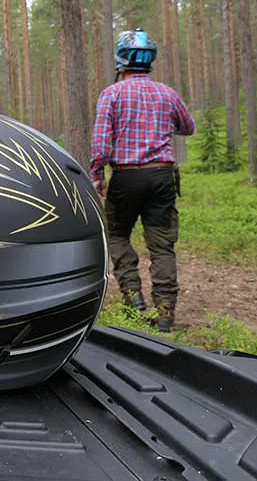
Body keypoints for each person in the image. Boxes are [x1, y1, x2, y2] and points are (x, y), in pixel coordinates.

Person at [89, 29, 195, 332]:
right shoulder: (167, 93)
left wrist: (98, 176)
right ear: (151, 60)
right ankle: (165, 312)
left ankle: (134, 297)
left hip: (126, 177)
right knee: (162, 246)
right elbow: (188, 127)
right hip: (162, 177)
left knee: (117, 234)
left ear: (120, 61)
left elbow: (100, 145)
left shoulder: (111, 94)